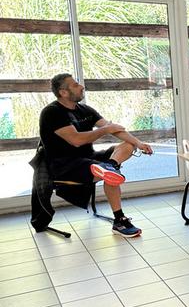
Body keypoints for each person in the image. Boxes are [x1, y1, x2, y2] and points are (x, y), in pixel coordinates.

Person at [39, 73, 153, 237]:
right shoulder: (52, 113)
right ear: (63, 92)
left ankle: (110, 166)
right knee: (108, 173)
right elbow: (76, 140)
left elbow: (113, 128)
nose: (81, 87)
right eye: (76, 85)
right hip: (64, 166)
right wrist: (106, 130)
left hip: (90, 160)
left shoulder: (85, 110)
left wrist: (138, 143)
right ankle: (119, 220)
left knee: (127, 146)